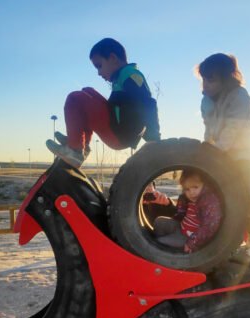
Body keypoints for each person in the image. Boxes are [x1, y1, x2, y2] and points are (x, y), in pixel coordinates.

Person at [196, 53, 250, 257]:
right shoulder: (207, 101)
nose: (206, 84)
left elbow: (232, 129)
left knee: (247, 192)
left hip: (242, 155)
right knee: (229, 197)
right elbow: (209, 128)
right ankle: (243, 236)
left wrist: (215, 152)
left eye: (211, 79)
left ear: (226, 78)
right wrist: (206, 148)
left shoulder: (240, 97)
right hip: (221, 155)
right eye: (203, 79)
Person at [46, 38, 160, 168]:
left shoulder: (130, 75)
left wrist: (153, 138)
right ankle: (80, 144)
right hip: (118, 128)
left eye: (99, 66)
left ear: (112, 58)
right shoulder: (122, 76)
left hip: (120, 134)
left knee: (75, 98)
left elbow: (148, 104)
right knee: (88, 92)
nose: (99, 73)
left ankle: (75, 151)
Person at [153, 169, 222, 253]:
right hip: (181, 227)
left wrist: (192, 242)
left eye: (195, 187)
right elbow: (180, 213)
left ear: (204, 185)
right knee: (159, 221)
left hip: (189, 238)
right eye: (187, 189)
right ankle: (169, 241)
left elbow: (209, 226)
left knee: (158, 242)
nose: (191, 192)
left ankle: (176, 253)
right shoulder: (187, 199)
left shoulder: (208, 202)